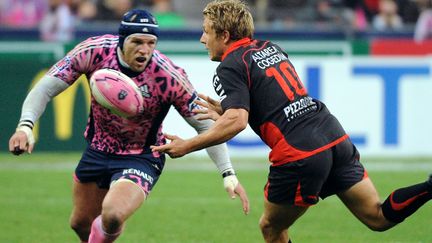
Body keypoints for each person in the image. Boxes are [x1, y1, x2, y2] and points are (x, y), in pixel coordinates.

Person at [151, 1, 432, 242]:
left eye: (207, 32)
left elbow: (237, 121)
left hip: (300, 152)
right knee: (377, 216)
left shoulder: (229, 65)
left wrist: (188, 145)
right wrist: (227, 107)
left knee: (271, 227)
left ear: (224, 35)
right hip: (333, 135)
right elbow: (269, 98)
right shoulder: (269, 47)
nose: (202, 39)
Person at [8, 8, 249, 243]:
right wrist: (25, 126)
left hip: (142, 156)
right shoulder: (94, 52)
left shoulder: (168, 76)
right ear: (121, 40)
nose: (145, 50)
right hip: (97, 150)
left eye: (151, 43)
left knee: (112, 214)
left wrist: (228, 173)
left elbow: (205, 126)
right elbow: (46, 87)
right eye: (137, 42)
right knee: (80, 223)